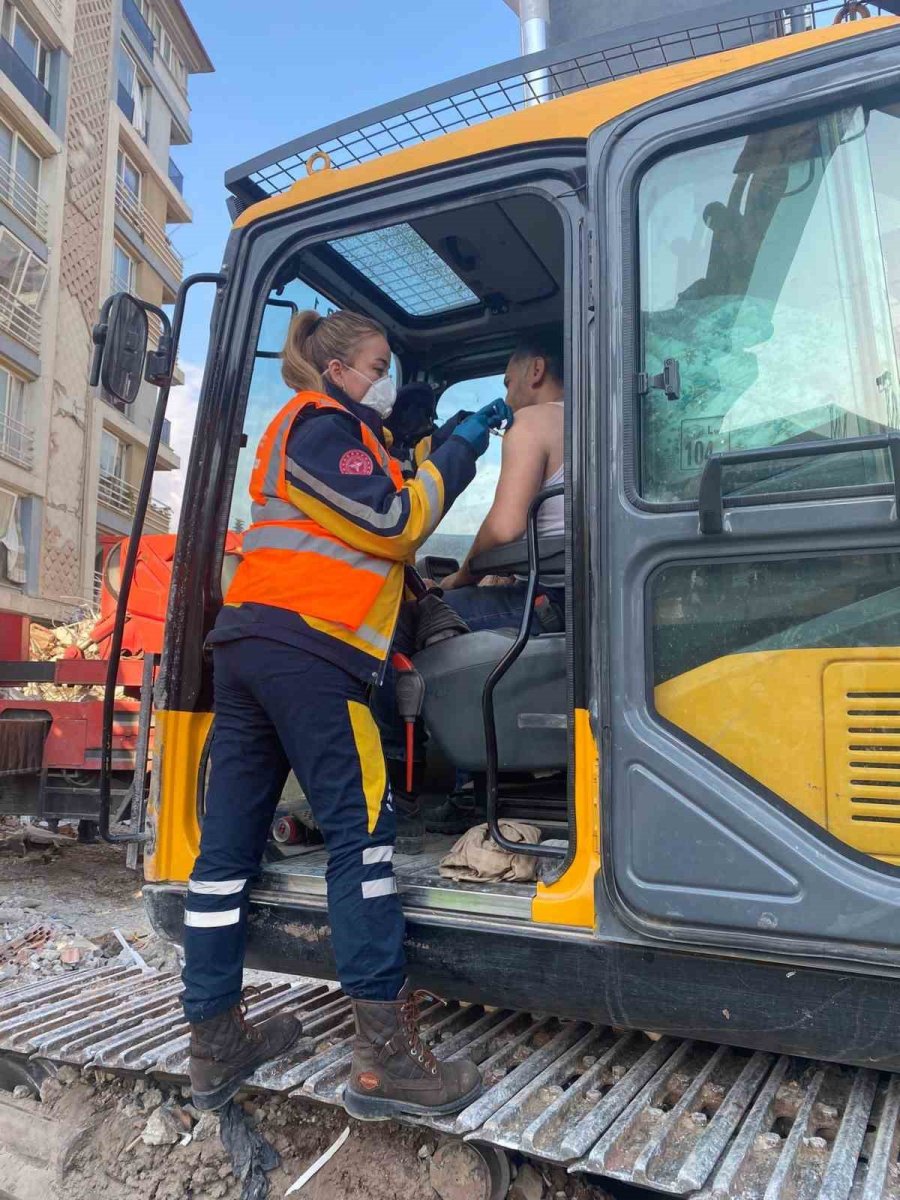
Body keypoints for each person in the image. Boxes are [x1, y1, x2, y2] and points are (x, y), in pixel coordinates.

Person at [181, 307, 511, 1120]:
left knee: (224, 856)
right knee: (362, 842)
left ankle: (215, 1043)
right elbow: (397, 521)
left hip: (257, 654)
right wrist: (463, 448)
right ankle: (385, 1060)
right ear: (338, 371)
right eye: (378, 363)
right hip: (310, 657)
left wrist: (416, 443)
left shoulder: (339, 435)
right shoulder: (319, 425)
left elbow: (378, 501)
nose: (385, 377)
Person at [440, 329, 565, 630]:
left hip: (551, 601)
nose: (507, 397)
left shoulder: (531, 421)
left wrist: (460, 578)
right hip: (587, 595)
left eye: (508, 383)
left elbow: (504, 529)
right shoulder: (595, 418)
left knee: (413, 618)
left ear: (536, 370)